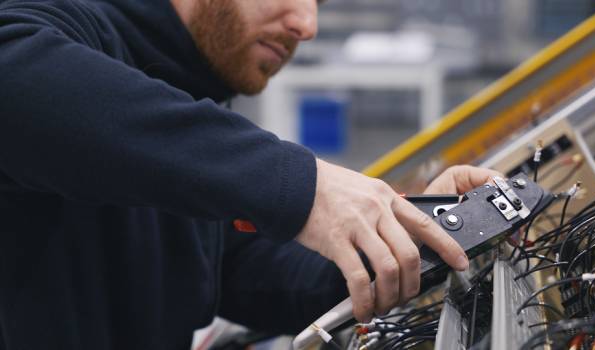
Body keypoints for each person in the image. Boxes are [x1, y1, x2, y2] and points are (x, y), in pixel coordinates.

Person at [0, 0, 501, 348]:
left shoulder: (190, 107)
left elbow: (249, 270)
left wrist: (416, 234)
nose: (306, 25)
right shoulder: (67, 25)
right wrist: (305, 187)